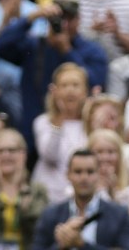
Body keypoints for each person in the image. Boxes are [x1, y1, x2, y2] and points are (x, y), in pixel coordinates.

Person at [0, 0, 107, 154]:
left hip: (77, 134)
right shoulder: (35, 46)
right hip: (32, 132)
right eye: (60, 19)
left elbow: (95, 83)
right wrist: (30, 18)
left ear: (78, 20)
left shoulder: (92, 51)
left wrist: (67, 51)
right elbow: (0, 46)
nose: (64, 24)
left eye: (69, 18)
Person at [32, 149, 129, 250]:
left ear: (98, 174)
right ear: (68, 175)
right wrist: (61, 244)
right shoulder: (50, 214)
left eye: (90, 172)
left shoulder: (119, 214)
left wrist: (82, 244)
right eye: (78, 172)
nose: (84, 178)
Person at [31, 63, 91, 202]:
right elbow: (49, 155)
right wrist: (58, 122)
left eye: (75, 85)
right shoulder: (43, 122)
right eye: (64, 86)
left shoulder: (90, 124)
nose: (70, 91)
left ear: (85, 91)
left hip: (82, 198)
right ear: (54, 91)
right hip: (49, 197)